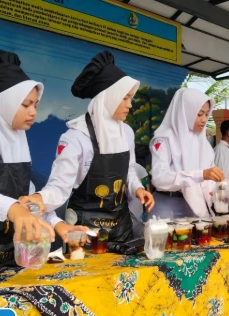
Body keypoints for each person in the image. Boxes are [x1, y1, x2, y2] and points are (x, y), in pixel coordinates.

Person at [0, 49, 79, 264]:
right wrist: (10, 208)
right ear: (3, 104)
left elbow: (24, 198)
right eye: (26, 104)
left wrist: (56, 223)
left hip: (11, 257)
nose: (33, 112)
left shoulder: (15, 142)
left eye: (35, 105)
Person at [21, 51, 154, 246]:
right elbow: (60, 184)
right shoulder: (76, 137)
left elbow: (129, 170)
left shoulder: (126, 132)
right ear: (109, 97)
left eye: (131, 98)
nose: (130, 105)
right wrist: (41, 198)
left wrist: (137, 188)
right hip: (84, 230)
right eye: (125, 98)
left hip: (121, 227)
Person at [149, 88, 229, 219]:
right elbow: (159, 178)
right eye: (199, 114)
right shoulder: (164, 140)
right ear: (184, 112)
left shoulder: (203, 144)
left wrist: (221, 192)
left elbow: (208, 183)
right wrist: (200, 174)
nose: (204, 119)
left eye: (206, 114)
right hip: (169, 208)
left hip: (196, 209)